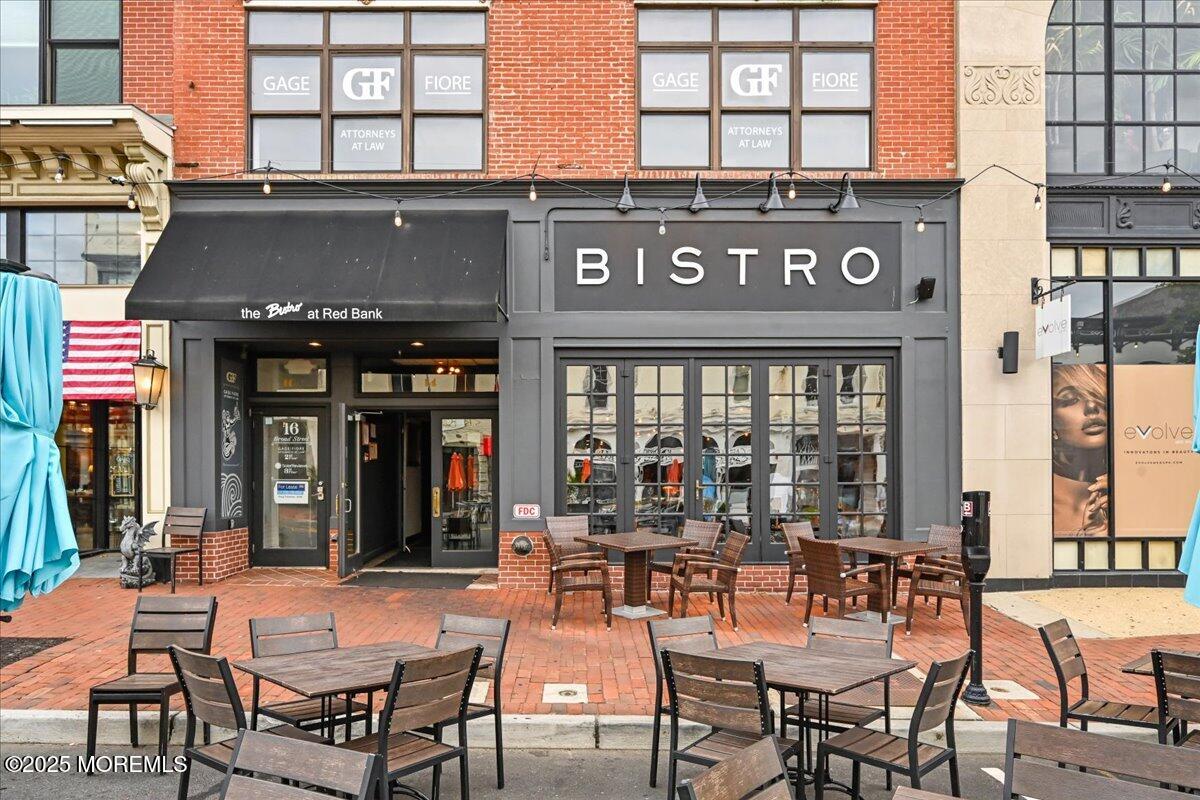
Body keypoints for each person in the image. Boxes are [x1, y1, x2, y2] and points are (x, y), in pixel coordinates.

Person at [1051, 364, 1109, 536]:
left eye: (1098, 395)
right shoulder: (1036, 504)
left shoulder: (1129, 497)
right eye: (1070, 400)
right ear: (1051, 421)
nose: (1091, 406)